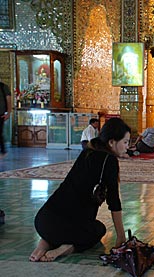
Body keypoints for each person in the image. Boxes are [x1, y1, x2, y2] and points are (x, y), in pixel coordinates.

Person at [29, 118, 130, 262]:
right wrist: (121, 236)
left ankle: (44, 243)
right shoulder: (109, 160)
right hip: (67, 228)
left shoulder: (88, 151)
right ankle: (67, 248)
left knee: (62, 225)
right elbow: (113, 201)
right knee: (99, 229)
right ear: (112, 142)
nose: (127, 147)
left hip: (42, 221)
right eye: (125, 142)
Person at [0, 80, 11, 158]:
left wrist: (8, 112)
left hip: (1, 114)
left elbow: (8, 100)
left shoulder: (3, 87)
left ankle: (3, 151)